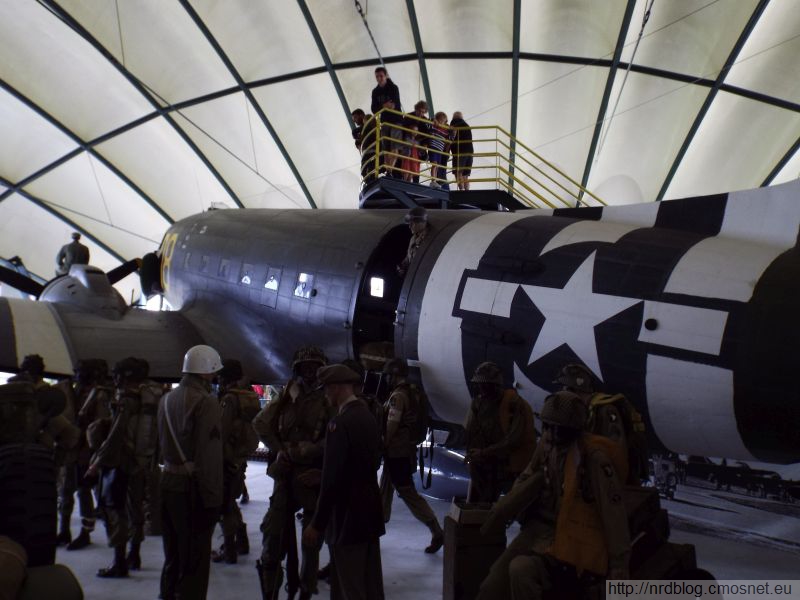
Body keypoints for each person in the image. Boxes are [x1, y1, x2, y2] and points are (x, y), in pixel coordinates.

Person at [475, 391, 630, 600]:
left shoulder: (594, 460)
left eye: (559, 429)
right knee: (491, 589)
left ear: (573, 430)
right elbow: (526, 477)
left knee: (522, 572)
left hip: (574, 540)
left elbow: (613, 514)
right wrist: (506, 508)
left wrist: (619, 565)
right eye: (548, 426)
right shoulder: (547, 446)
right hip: (538, 529)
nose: (552, 434)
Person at [253, 345, 332, 600]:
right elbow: (261, 424)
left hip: (311, 479)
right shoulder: (288, 394)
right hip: (285, 476)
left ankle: (306, 591)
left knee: (311, 545)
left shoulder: (329, 398)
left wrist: (309, 452)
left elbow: (336, 438)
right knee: (273, 538)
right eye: (304, 367)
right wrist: (281, 452)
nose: (309, 372)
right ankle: (270, 591)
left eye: (314, 367)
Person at [303, 364, 385, 600]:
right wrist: (322, 476)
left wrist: (316, 524)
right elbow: (361, 465)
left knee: (351, 588)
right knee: (370, 585)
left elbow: (333, 482)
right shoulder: (367, 416)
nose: (325, 395)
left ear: (337, 388)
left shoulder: (339, 423)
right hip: (369, 513)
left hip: (347, 518)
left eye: (326, 389)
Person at [158, 345, 223, 600]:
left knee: (172, 554)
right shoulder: (206, 403)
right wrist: (213, 499)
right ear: (207, 372)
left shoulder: (166, 400)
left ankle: (166, 595)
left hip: (168, 484)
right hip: (193, 491)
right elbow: (209, 457)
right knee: (195, 560)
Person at [86, 357, 162, 576]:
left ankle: (119, 562)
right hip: (142, 461)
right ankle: (134, 555)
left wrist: (96, 462)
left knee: (114, 510)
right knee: (136, 508)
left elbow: (116, 435)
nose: (115, 378)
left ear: (126, 376)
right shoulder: (151, 395)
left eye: (118, 373)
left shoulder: (127, 399)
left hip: (122, 462)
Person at [379, 358, 443, 553]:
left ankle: (436, 531)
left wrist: (379, 447)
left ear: (394, 375)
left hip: (396, 454)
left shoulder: (398, 397)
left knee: (408, 494)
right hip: (403, 452)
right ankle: (373, 531)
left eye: (389, 375)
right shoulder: (414, 392)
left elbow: (391, 427)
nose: (387, 379)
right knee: (384, 493)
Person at [554, 363, 648, 483]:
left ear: (574, 390)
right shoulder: (585, 410)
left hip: (613, 481)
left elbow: (617, 451)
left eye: (565, 388)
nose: (562, 392)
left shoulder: (606, 411)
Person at [464, 362, 536, 503]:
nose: (481, 388)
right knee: (479, 504)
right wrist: (471, 453)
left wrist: (484, 452)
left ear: (496, 385)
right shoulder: (478, 403)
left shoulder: (514, 404)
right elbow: (470, 431)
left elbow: (513, 440)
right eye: (479, 384)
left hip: (506, 465)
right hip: (482, 462)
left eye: (485, 384)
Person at [211, 359, 260, 564]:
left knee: (224, 505)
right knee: (230, 501)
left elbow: (220, 430)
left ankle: (229, 549)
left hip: (226, 458)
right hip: (240, 458)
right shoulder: (250, 397)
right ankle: (242, 542)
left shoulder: (229, 399)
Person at [55, 360, 107, 549]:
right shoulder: (68, 390)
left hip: (86, 451)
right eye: (77, 372)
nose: (79, 375)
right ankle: (64, 530)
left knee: (84, 493)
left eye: (82, 372)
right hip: (69, 448)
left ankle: (85, 533)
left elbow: (100, 424)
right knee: (65, 491)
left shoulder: (99, 394)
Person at [370, 66, 402, 177]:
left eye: (381, 76)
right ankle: (389, 171)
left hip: (396, 121)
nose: (379, 78)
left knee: (395, 147)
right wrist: (384, 106)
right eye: (377, 76)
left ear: (386, 75)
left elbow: (394, 105)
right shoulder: (375, 92)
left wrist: (382, 107)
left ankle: (389, 171)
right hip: (384, 122)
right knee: (387, 148)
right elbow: (374, 109)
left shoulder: (393, 88)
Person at [401, 101, 430, 183]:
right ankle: (405, 181)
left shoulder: (425, 120)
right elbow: (403, 130)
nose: (421, 113)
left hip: (417, 144)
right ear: (416, 109)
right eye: (419, 111)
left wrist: (424, 145)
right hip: (407, 142)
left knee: (415, 163)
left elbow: (428, 134)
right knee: (407, 162)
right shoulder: (409, 116)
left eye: (423, 112)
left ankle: (415, 182)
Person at [396, 207, 430, 277]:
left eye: (412, 223)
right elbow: (408, 257)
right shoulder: (413, 238)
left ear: (421, 223)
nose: (409, 226)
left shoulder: (429, 238)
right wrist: (402, 266)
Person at [450, 111, 473, 191]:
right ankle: (467, 191)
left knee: (458, 172)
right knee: (465, 175)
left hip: (460, 152)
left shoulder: (454, 123)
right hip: (469, 152)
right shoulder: (467, 126)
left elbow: (452, 136)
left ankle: (461, 190)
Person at [428, 112, 451, 189]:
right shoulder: (435, 126)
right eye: (441, 120)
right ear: (437, 120)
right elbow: (429, 122)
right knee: (434, 164)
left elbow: (451, 135)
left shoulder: (445, 130)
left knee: (437, 165)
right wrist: (434, 120)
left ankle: (435, 180)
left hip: (440, 150)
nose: (442, 122)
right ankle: (433, 181)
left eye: (444, 121)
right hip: (433, 148)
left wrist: (451, 129)